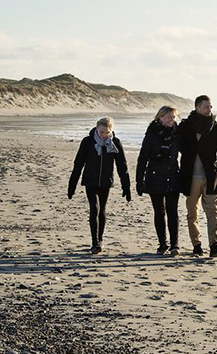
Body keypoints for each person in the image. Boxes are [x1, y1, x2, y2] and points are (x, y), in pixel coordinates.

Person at [68, 117, 131, 254]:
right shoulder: (88, 142)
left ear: (111, 130)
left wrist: (126, 186)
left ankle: (100, 240)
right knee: (94, 209)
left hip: (106, 182)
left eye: (106, 132)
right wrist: (71, 185)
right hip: (90, 181)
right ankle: (94, 242)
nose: (103, 135)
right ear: (96, 128)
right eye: (101, 132)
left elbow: (122, 166)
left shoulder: (115, 143)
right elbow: (78, 164)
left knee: (102, 209)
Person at [178, 95, 217, 258]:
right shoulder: (186, 126)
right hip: (190, 176)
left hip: (210, 176)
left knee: (212, 212)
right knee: (192, 212)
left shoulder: (216, 127)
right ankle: (197, 245)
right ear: (198, 107)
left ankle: (214, 244)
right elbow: (175, 145)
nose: (210, 110)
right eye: (207, 107)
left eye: (211, 107)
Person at [136, 105, 182, 256]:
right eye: (169, 116)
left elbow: (188, 155)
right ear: (160, 118)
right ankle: (163, 244)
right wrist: (139, 181)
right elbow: (142, 159)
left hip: (173, 176)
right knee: (159, 212)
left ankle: (175, 245)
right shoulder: (151, 135)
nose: (172, 119)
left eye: (174, 117)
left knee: (172, 211)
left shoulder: (178, 135)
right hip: (154, 177)